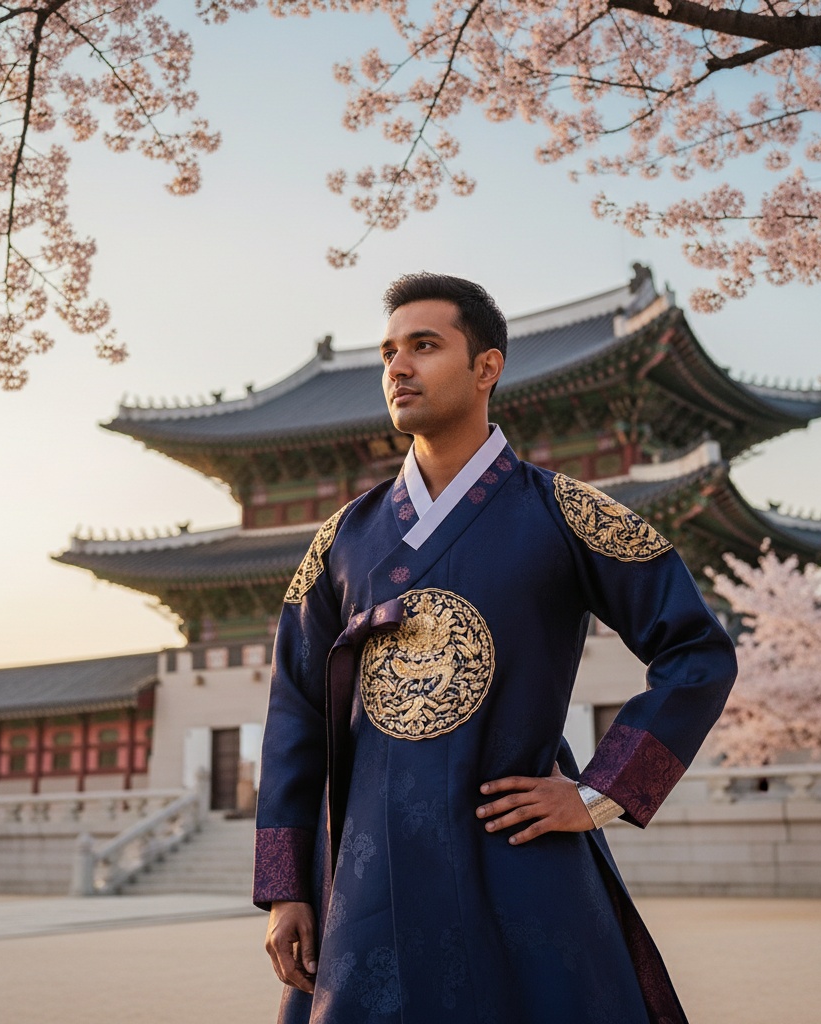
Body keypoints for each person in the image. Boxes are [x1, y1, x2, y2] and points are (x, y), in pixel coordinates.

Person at [254, 273, 737, 1024]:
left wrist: (598, 792)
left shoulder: (567, 512)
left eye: (424, 345)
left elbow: (698, 650)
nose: (398, 368)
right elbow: (295, 707)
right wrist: (287, 887)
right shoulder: (342, 538)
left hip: (517, 861)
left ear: (487, 367)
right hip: (365, 880)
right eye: (387, 353)